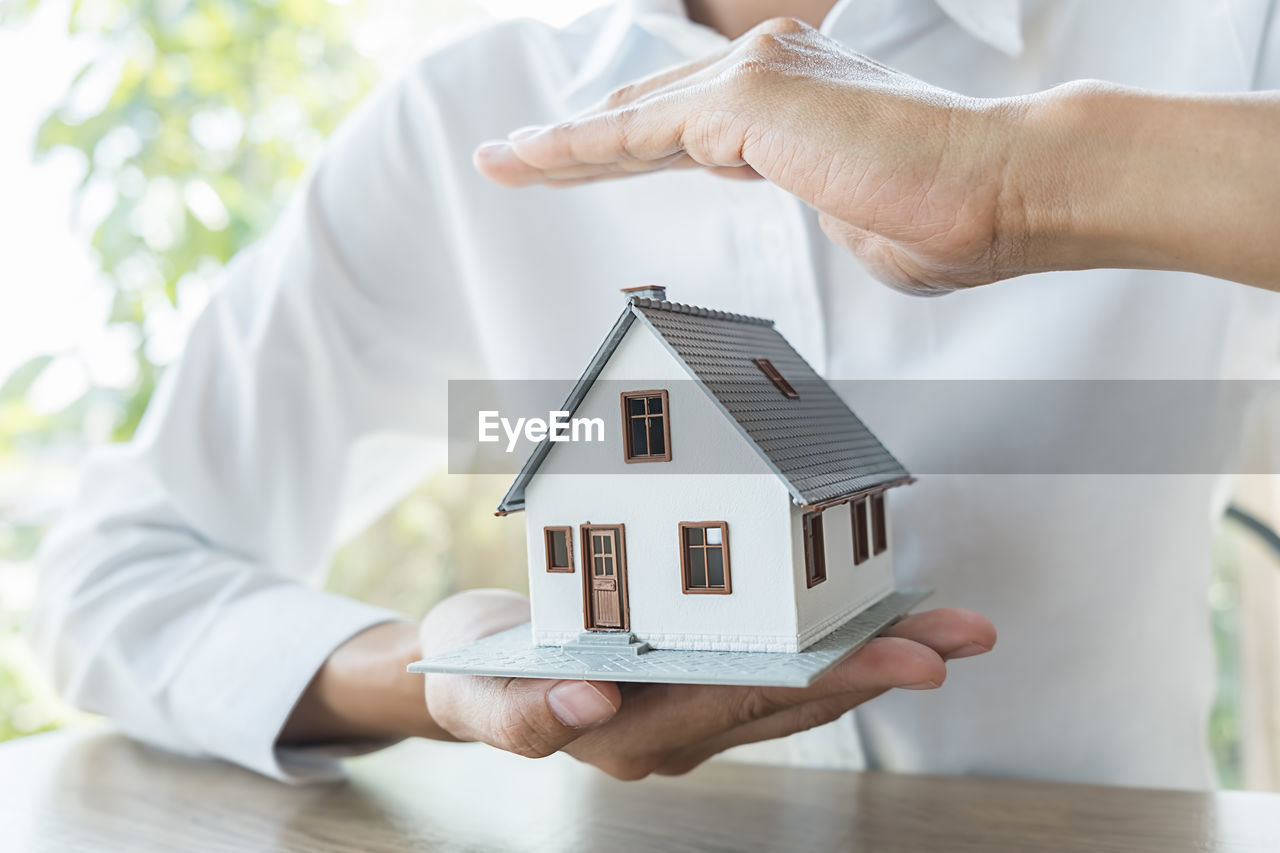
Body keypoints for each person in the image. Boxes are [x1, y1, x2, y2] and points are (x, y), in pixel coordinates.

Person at [31, 0, 1280, 787]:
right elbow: (113, 577)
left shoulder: (1207, 27)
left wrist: (1015, 178)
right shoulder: (464, 121)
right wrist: (432, 674)